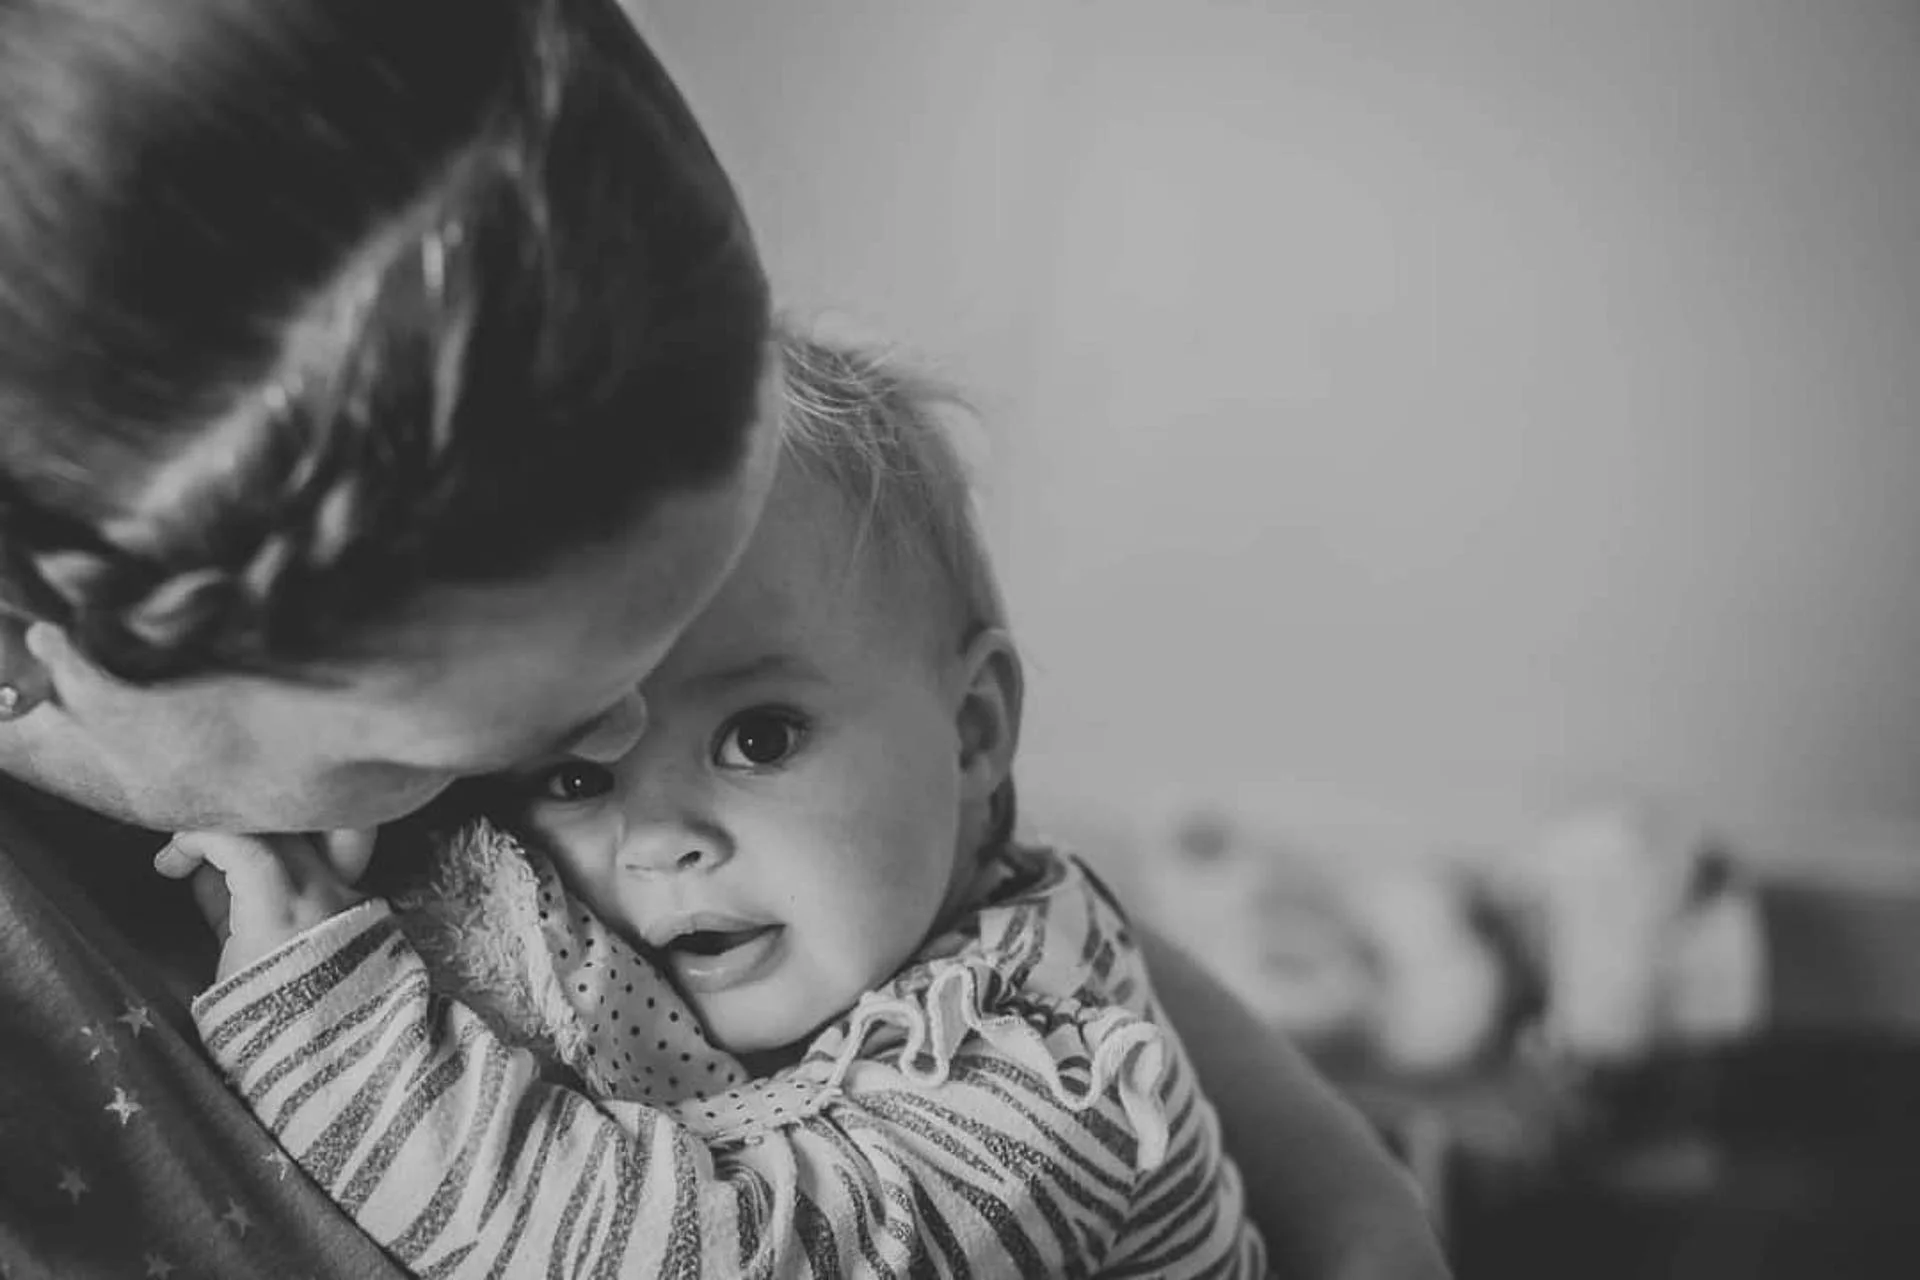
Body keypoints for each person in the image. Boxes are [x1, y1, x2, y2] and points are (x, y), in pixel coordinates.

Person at [0, 0, 1445, 1275]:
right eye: (539, 762)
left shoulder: (1030, 1068)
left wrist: (1358, 1204)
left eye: (757, 733)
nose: (631, 780)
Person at [170, 329, 1270, 1275]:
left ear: (974, 729)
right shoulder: (874, 927)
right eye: (575, 775)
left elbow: (680, 1256)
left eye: (759, 738)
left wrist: (332, 1023)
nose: (659, 840)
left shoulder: (1043, 1087)